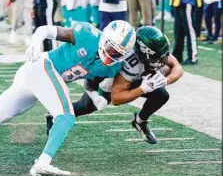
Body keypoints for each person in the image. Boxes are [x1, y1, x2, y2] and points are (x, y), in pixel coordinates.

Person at [0, 20, 136, 176]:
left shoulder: (111, 67)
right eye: (110, 47)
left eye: (117, 53)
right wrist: (35, 43)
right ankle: (42, 163)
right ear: (104, 37)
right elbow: (46, 29)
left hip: (39, 76)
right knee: (66, 116)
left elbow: (89, 78)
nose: (111, 54)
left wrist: (93, 95)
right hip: (42, 67)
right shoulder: (87, 34)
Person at [45, 26, 183, 144]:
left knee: (161, 95)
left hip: (134, 77)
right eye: (158, 57)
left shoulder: (151, 49)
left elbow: (177, 67)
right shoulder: (132, 63)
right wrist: (144, 88)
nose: (162, 60)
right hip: (107, 80)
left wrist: (165, 81)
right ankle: (55, 113)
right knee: (86, 107)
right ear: (143, 54)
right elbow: (117, 98)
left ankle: (139, 121)